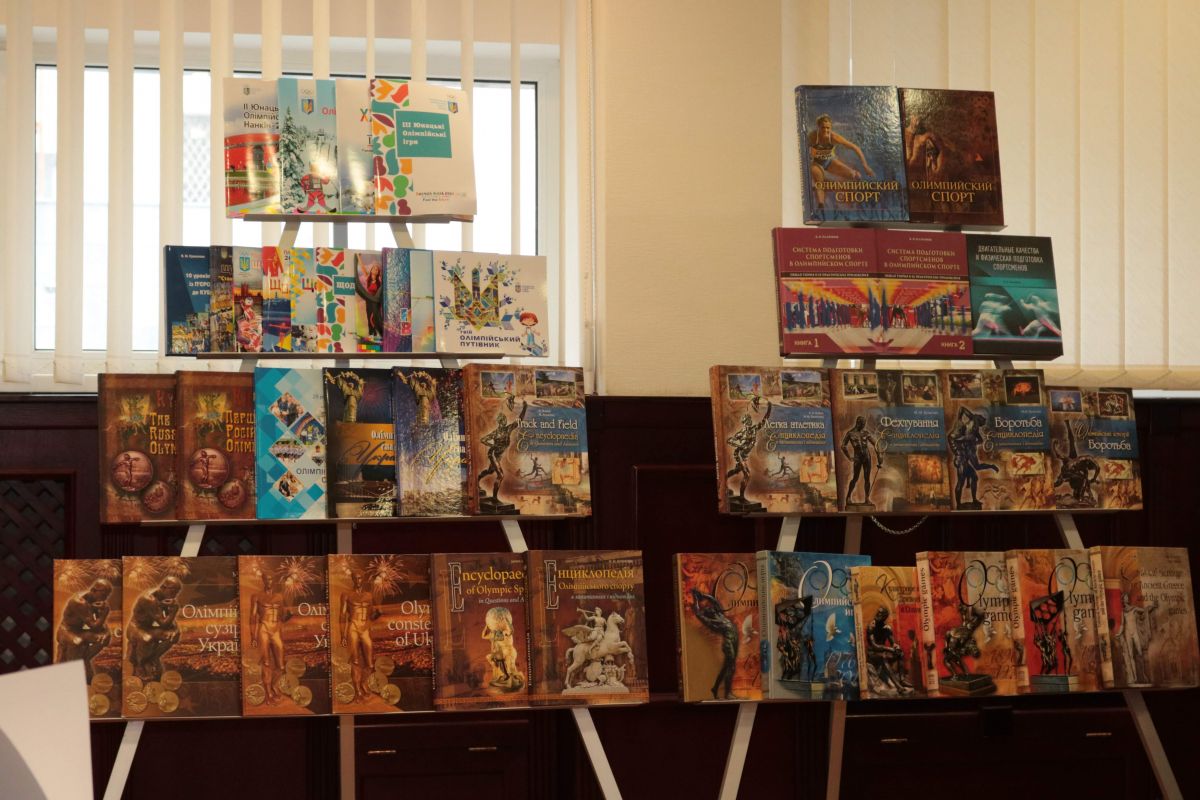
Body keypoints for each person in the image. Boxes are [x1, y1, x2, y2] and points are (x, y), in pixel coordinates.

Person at [808, 113, 875, 214]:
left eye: (828, 128)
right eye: (823, 128)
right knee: (818, 181)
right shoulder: (812, 136)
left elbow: (855, 148)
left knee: (853, 175)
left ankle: (858, 198)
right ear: (818, 127)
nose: (826, 130)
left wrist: (865, 165)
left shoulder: (834, 137)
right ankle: (821, 207)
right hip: (816, 163)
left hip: (830, 162)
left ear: (830, 128)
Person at [55, 579, 114, 682]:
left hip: (80, 631)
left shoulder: (94, 601)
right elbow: (94, 626)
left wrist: (106, 632)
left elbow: (99, 625)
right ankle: (76, 667)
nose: (105, 598)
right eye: (104, 595)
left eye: (107, 595)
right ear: (94, 590)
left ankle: (84, 659)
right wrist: (105, 613)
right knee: (77, 641)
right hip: (66, 631)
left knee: (104, 638)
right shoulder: (79, 602)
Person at [126, 576, 183, 681]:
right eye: (173, 591)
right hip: (135, 628)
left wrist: (175, 630)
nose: (175, 595)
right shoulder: (148, 599)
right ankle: (139, 665)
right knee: (147, 638)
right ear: (164, 587)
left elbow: (169, 621)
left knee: (174, 635)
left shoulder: (165, 598)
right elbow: (163, 623)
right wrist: (174, 610)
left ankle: (153, 658)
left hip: (149, 628)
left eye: (177, 592)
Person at [340, 569, 380, 702]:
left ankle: (363, 682)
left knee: (370, 664)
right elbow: (342, 616)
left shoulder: (369, 595)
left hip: (365, 628)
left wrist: (377, 614)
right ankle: (357, 690)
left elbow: (372, 614)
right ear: (352, 579)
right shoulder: (346, 594)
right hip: (353, 627)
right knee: (355, 661)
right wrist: (342, 635)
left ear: (363, 579)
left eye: (360, 578)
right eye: (355, 578)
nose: (358, 580)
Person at [250, 571, 290, 704]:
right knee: (266, 663)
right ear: (263, 580)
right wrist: (253, 636)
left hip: (276, 631)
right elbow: (252, 617)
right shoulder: (257, 596)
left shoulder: (280, 596)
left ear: (274, 581)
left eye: (271, 579)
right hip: (264, 630)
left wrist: (289, 615)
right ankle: (268, 694)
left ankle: (273, 685)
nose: (269, 581)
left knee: (281, 666)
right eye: (266, 579)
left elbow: (283, 616)